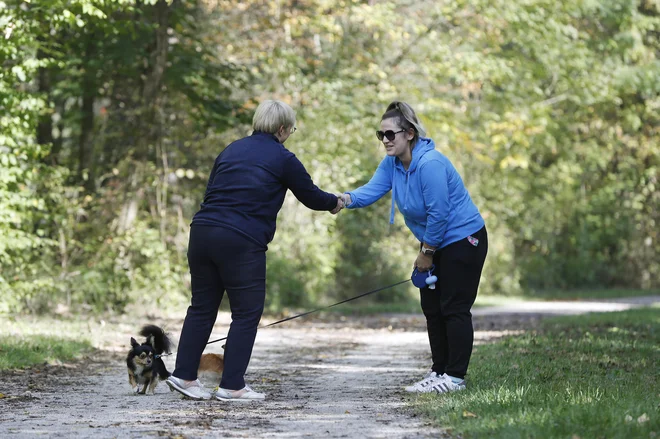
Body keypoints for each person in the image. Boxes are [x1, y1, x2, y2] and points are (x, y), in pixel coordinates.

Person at [166, 99, 344, 401]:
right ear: (283, 128)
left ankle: (184, 376)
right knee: (247, 312)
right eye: (292, 129)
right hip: (241, 240)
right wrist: (335, 202)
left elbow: (211, 191)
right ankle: (232, 385)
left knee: (202, 307)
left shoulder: (230, 150)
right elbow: (311, 196)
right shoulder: (283, 158)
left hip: (202, 232)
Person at [339, 101, 487, 393]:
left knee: (454, 307)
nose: (385, 140)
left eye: (390, 134)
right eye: (380, 135)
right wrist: (343, 200)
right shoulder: (393, 164)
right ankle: (439, 372)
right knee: (432, 307)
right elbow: (372, 189)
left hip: (462, 238)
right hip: (435, 240)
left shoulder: (430, 164)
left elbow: (440, 213)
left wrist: (426, 253)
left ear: (409, 133)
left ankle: (455, 378)